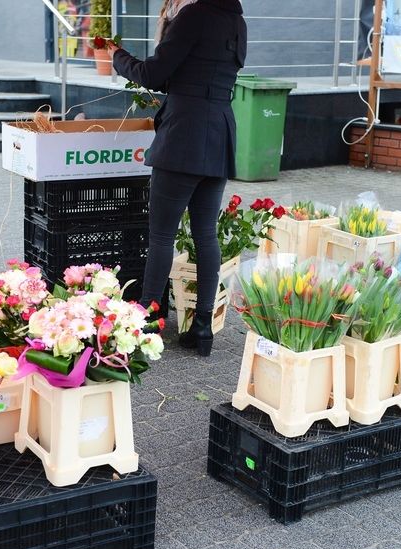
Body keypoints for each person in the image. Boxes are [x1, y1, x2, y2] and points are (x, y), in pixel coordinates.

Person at [107, 0, 246, 357]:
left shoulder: (195, 15)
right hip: (220, 130)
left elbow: (153, 75)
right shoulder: (237, 22)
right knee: (206, 234)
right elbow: (192, 72)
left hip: (185, 132)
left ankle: (149, 320)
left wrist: (117, 55)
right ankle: (202, 327)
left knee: (161, 235)